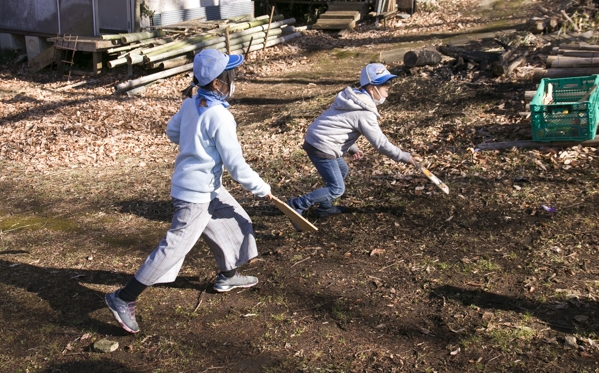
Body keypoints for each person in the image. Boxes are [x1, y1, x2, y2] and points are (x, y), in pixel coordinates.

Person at [105, 49, 272, 334]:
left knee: (236, 221)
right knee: (174, 247)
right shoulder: (219, 117)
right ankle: (124, 297)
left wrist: (194, 142)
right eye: (231, 76)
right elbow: (236, 165)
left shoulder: (191, 103)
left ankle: (227, 275)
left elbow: (172, 133)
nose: (235, 80)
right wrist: (261, 188)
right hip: (195, 195)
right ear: (219, 83)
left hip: (206, 188)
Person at [286, 63, 416, 229]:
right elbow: (381, 144)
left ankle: (324, 208)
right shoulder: (364, 112)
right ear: (372, 89)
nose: (388, 91)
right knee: (336, 188)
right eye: (385, 87)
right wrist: (404, 156)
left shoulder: (353, 99)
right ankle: (297, 204)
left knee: (342, 170)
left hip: (318, 140)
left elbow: (338, 124)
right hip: (322, 146)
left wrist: (352, 147)